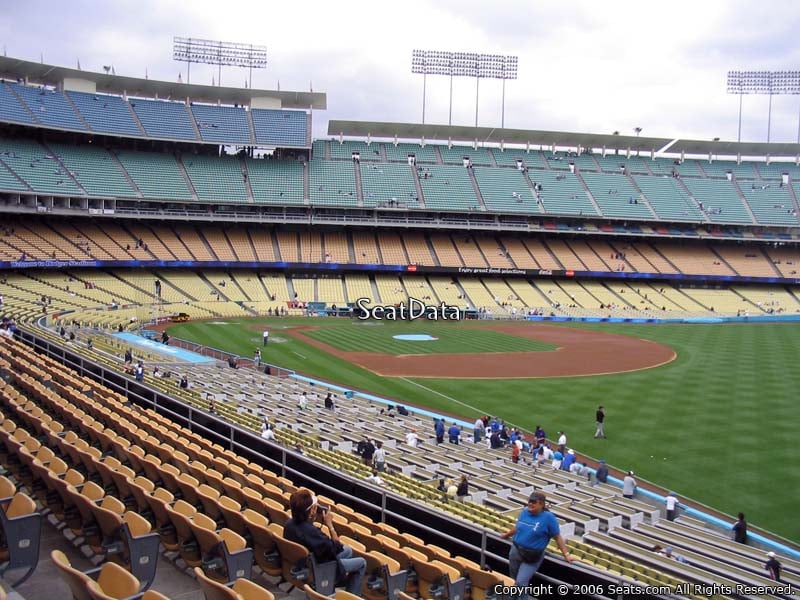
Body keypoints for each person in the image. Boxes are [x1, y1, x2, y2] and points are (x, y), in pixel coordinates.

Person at [284, 488, 366, 595]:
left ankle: (336, 584)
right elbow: (337, 546)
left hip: (305, 562)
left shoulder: (289, 524)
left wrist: (311, 520)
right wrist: (329, 525)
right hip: (321, 567)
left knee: (348, 550)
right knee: (362, 563)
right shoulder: (313, 534)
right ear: (312, 510)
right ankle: (350, 596)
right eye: (315, 506)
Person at [501, 492, 572, 593]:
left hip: (532, 556)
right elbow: (518, 527)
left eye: (534, 502)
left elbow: (557, 537)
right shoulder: (524, 511)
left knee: (520, 583)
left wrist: (566, 554)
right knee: (513, 581)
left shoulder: (549, 518)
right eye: (530, 501)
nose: (530, 504)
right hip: (516, 551)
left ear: (541, 504)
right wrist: (506, 535)